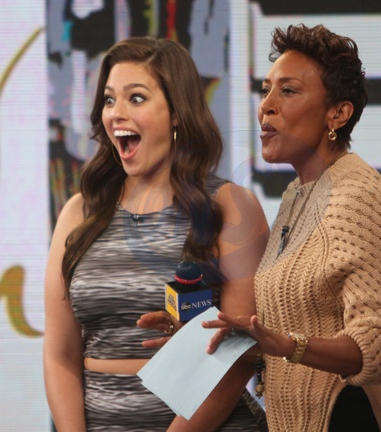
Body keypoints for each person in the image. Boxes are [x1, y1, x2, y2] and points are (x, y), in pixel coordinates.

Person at [43, 36, 270, 431]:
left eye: (136, 98)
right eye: (109, 100)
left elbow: (237, 358)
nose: (116, 113)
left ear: (177, 113)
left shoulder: (231, 206)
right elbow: (60, 355)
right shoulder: (78, 213)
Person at [203, 23, 381, 432]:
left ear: (338, 113)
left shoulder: (358, 195)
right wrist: (200, 336)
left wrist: (288, 345)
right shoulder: (297, 195)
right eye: (265, 90)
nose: (266, 106)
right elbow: (292, 332)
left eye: (288, 91)